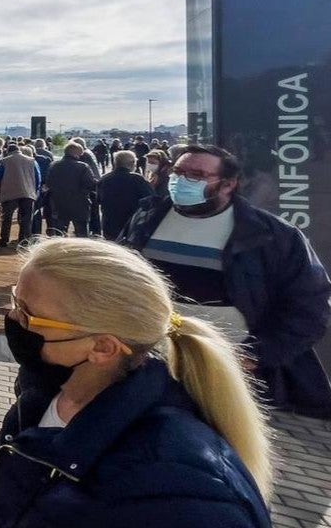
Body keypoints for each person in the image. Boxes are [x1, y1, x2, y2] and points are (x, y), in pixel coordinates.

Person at [0, 237, 277, 528]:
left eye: (28, 315)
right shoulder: (49, 394)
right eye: (14, 301)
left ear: (103, 348)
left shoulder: (176, 486)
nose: (12, 321)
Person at [121, 144, 331, 418]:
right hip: (148, 359)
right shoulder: (146, 217)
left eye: (196, 174)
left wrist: (255, 355)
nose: (182, 180)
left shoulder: (271, 236)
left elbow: (309, 305)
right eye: (178, 171)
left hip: (226, 370)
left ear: (228, 185)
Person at [97, 150, 153, 240]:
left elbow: (99, 200)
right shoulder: (137, 179)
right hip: (131, 223)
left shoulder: (104, 179)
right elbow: (150, 199)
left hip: (109, 223)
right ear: (132, 163)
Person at [0, 145, 40, 248]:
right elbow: (37, 177)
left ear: (8, 151)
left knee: (7, 217)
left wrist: (1, 187)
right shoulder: (32, 161)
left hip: (10, 192)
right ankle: (24, 240)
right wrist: (34, 190)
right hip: (28, 192)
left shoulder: (5, 161)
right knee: (26, 218)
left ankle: (4, 239)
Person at [44, 142, 96, 237]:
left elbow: (48, 183)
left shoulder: (54, 166)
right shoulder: (83, 167)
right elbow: (90, 184)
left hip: (59, 203)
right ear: (76, 153)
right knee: (82, 235)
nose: (81, 155)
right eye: (80, 153)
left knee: (59, 234)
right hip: (80, 204)